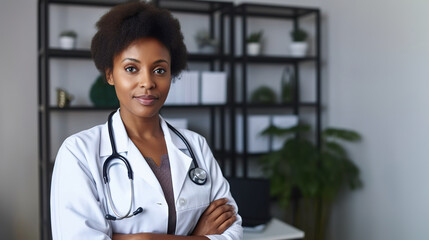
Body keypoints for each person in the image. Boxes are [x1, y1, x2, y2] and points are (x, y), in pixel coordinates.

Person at [50, 2, 243, 240]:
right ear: (110, 74)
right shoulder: (78, 153)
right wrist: (197, 236)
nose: (148, 83)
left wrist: (141, 239)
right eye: (132, 68)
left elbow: (232, 231)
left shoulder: (196, 145)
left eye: (160, 70)